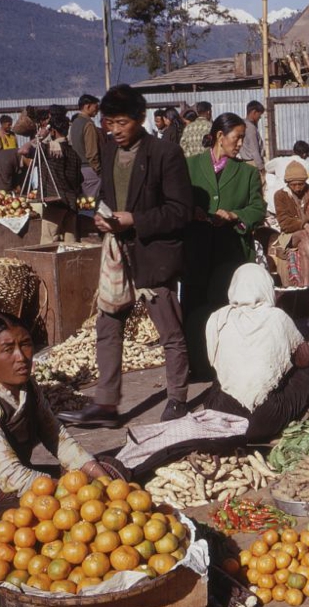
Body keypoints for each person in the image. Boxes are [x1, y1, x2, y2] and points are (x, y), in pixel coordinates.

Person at [0, 312, 127, 555]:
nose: (21, 357)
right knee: (29, 528)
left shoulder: (28, 388)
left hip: (17, 476)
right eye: (7, 349)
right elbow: (9, 474)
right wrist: (72, 498)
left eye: (25, 345)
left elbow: (58, 438)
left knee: (110, 467)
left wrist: (101, 481)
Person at [57, 84, 193, 428]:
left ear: (140, 118)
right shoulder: (107, 151)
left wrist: (137, 221)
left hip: (152, 255)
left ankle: (177, 398)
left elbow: (180, 212)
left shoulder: (165, 154)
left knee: (169, 332)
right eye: (109, 122)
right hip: (118, 254)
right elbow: (107, 194)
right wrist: (103, 217)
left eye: (121, 123)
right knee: (108, 326)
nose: (114, 130)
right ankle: (106, 405)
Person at [183, 112, 266, 380]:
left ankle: (227, 367)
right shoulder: (190, 166)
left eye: (242, 138)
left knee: (227, 309)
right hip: (196, 250)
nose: (240, 143)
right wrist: (191, 211)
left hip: (230, 252)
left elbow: (258, 208)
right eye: (237, 137)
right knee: (196, 309)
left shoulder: (247, 172)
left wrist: (236, 215)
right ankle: (199, 365)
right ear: (220, 136)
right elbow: (176, 200)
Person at [199, 264, 309, 443]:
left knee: (221, 381)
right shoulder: (277, 317)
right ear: (266, 288)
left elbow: (215, 361)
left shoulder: (217, 317)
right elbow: (304, 360)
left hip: (223, 415)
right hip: (265, 420)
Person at [32, 113, 82, 243]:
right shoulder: (74, 154)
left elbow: (24, 151)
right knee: (71, 242)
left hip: (55, 202)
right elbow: (79, 179)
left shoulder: (49, 150)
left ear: (52, 131)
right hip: (70, 202)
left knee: (48, 241)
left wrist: (41, 136)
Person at [264, 140, 309, 219]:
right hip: (292, 205)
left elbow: (267, 167)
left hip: (272, 202)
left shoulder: (279, 160)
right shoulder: (308, 165)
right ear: (304, 154)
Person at [68, 94, 103, 200]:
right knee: (92, 204)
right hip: (90, 169)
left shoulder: (75, 123)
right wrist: (98, 171)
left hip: (77, 169)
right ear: (87, 106)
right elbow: (92, 152)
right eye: (95, 107)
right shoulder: (88, 124)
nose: (97, 111)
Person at [238, 100, 267, 180]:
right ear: (254, 112)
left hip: (246, 162)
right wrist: (261, 168)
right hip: (253, 163)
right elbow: (254, 150)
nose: (260, 117)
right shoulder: (250, 128)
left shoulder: (243, 124)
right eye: (259, 115)